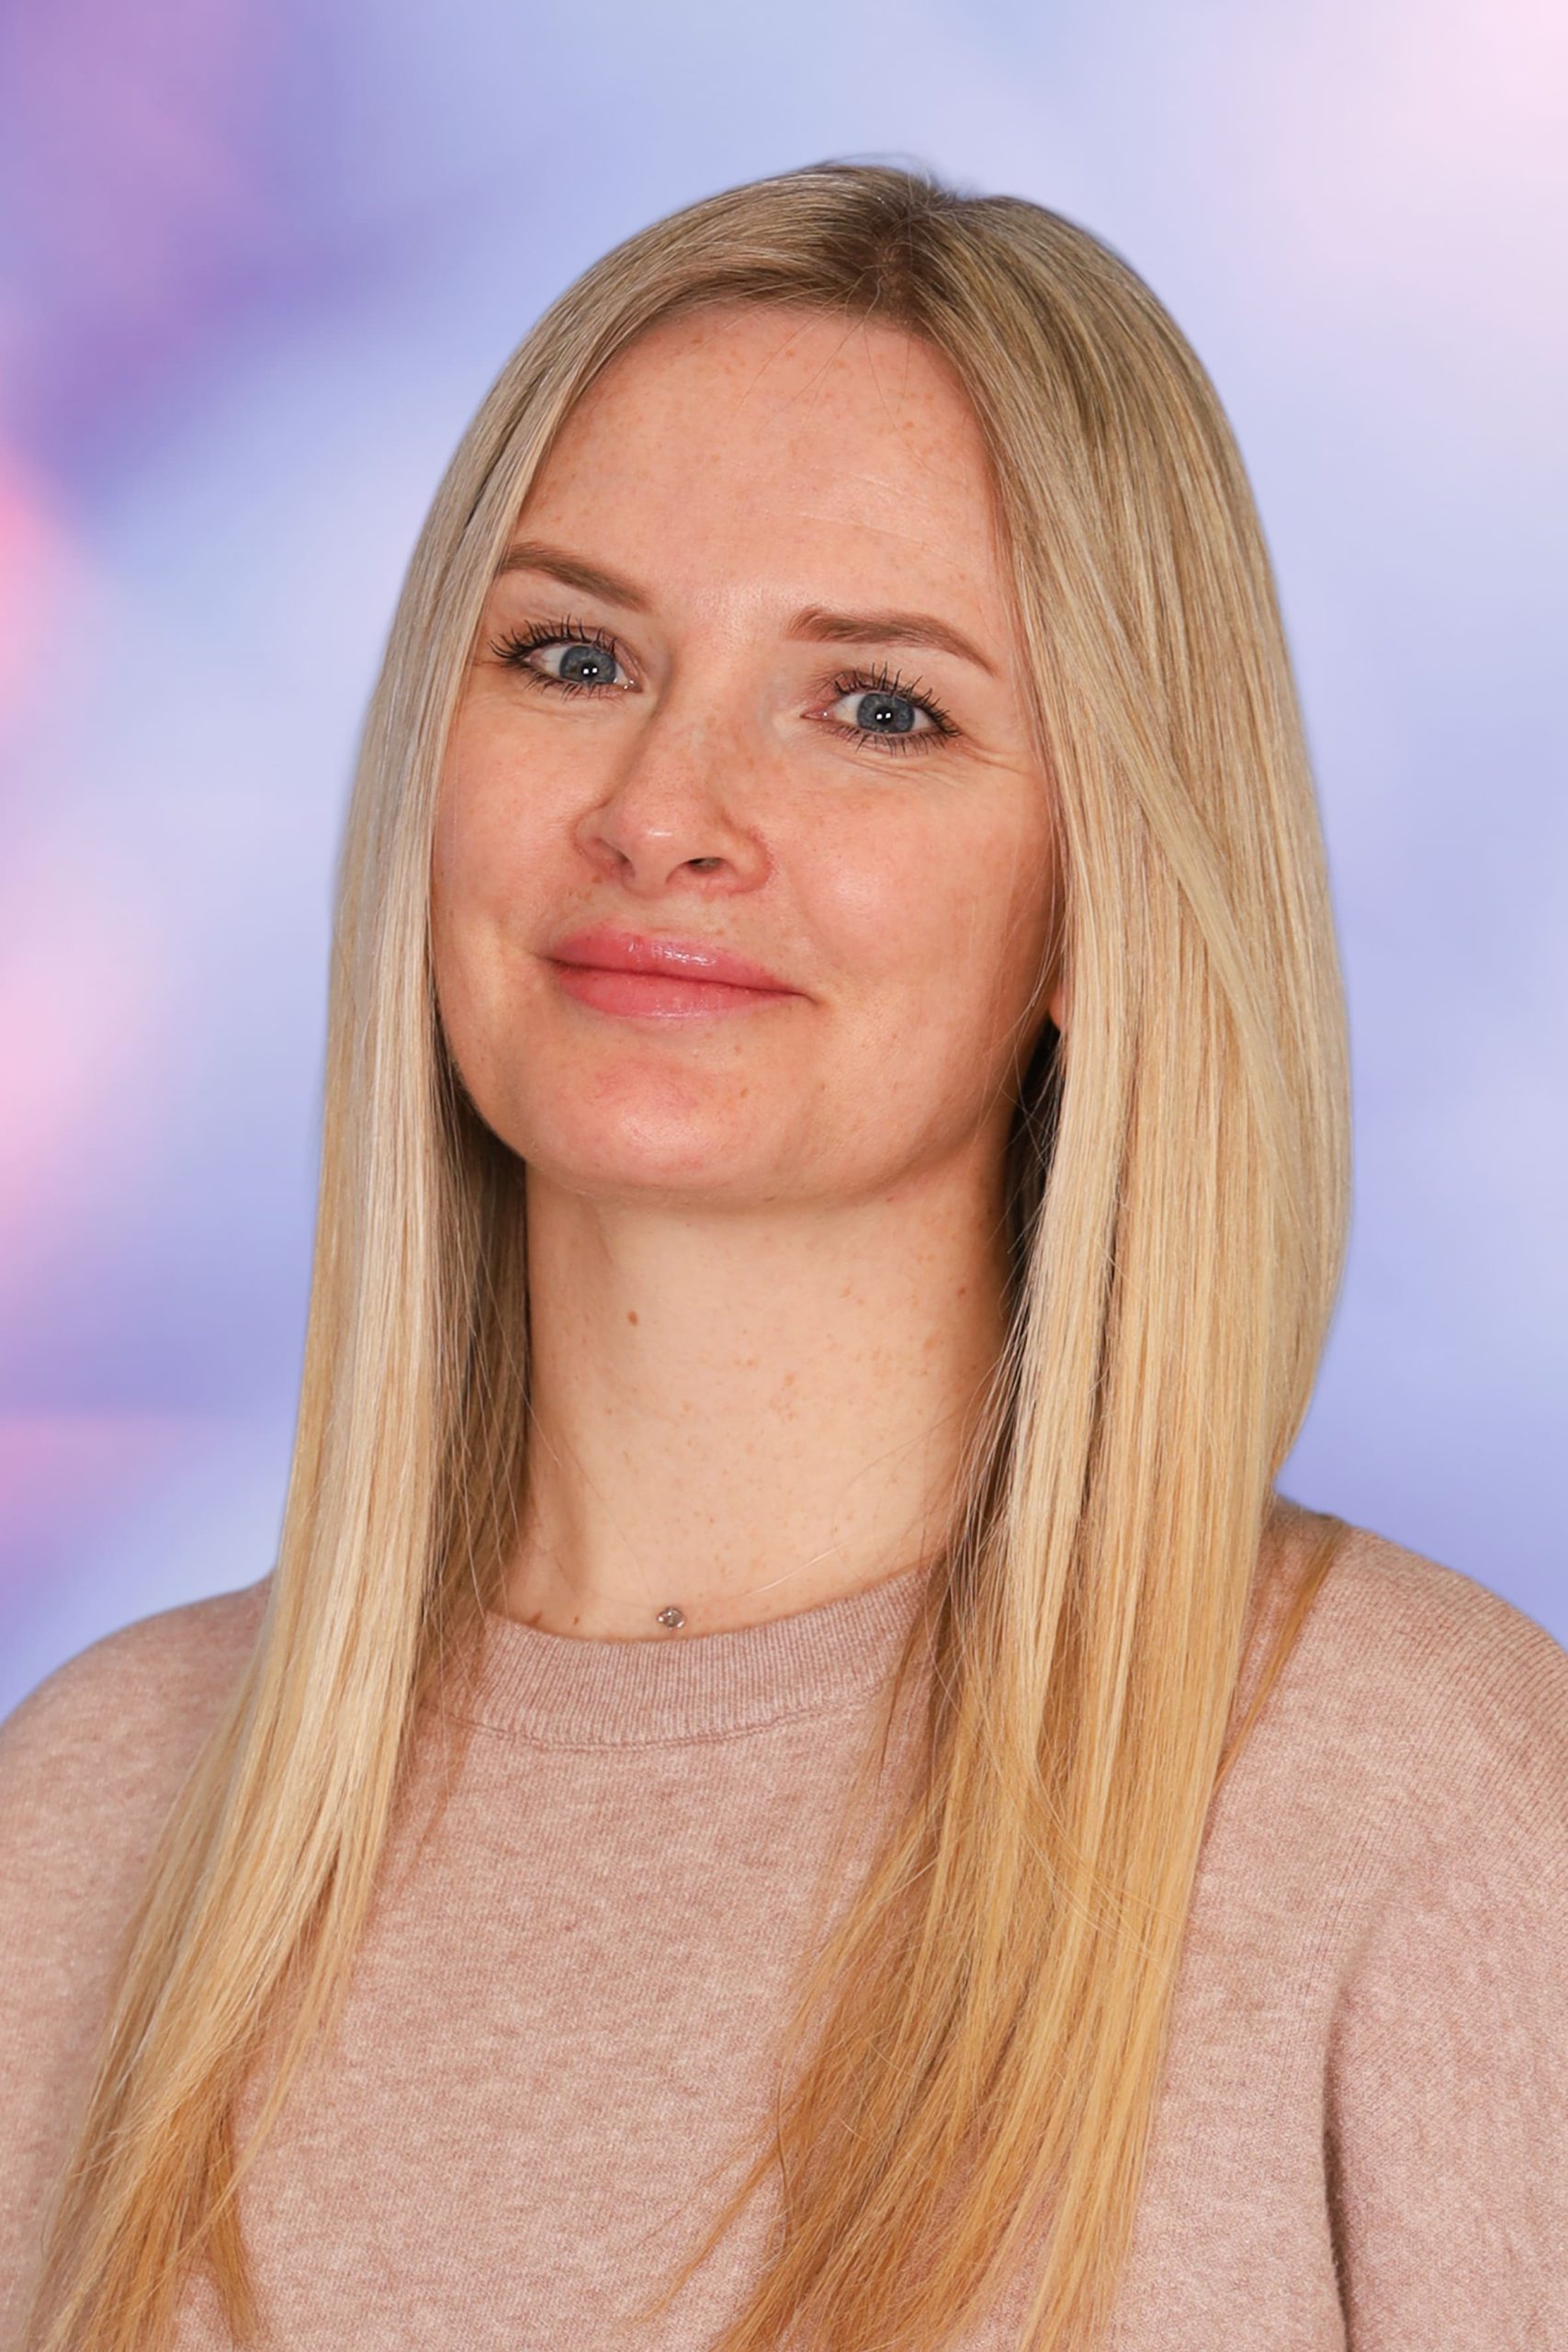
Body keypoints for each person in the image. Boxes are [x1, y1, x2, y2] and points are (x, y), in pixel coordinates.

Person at [2, 160, 1563, 2352]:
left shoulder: (1431, 1806)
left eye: (878, 706)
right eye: (572, 655)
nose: (662, 807)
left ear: (1098, 896)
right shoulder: (93, 1815)